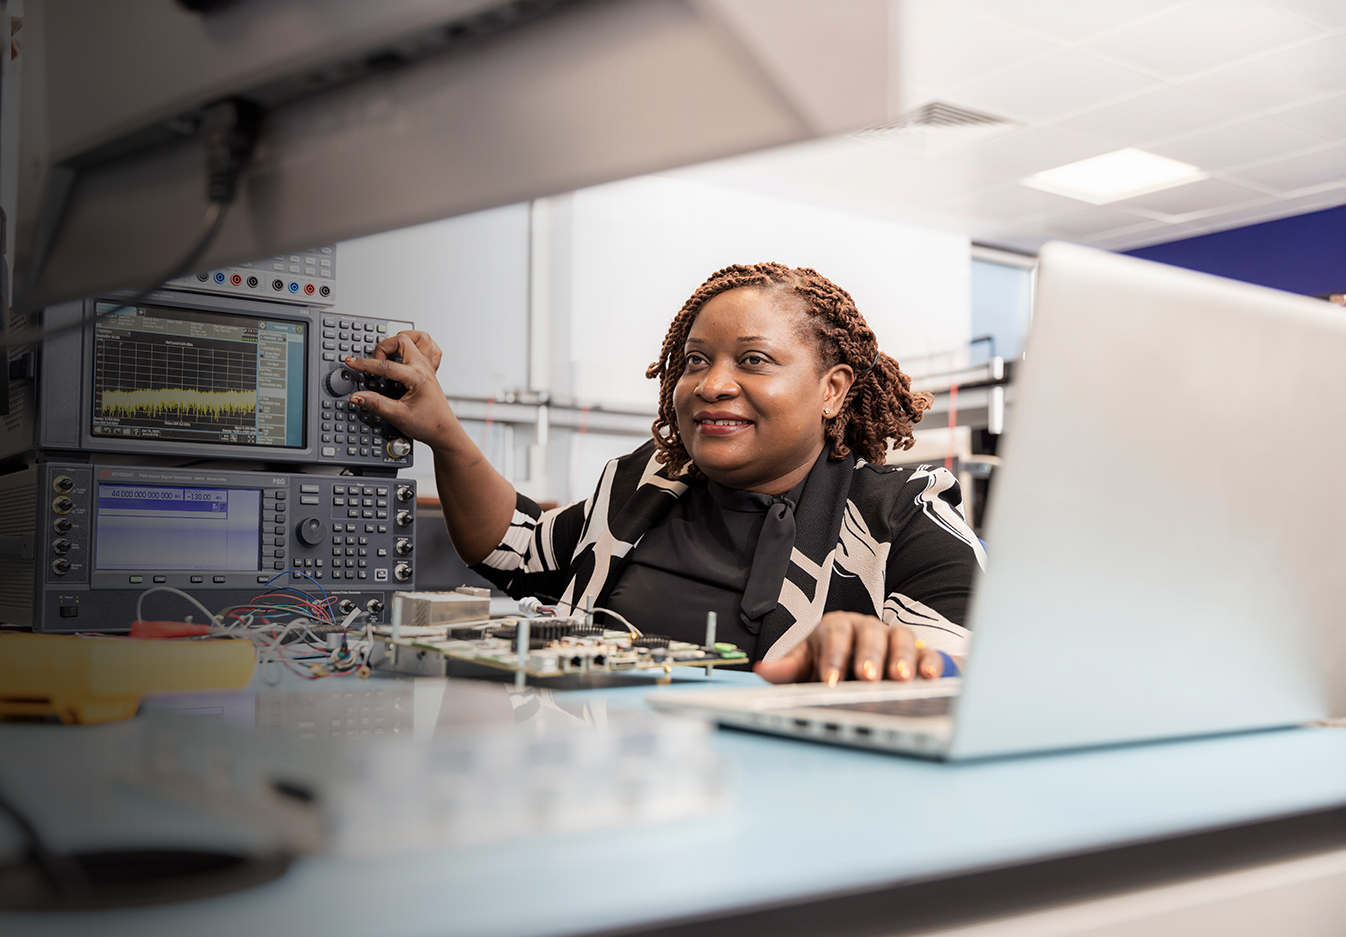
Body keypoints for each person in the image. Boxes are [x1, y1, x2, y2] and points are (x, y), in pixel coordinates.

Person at [349, 263, 977, 684]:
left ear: (832, 390)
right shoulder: (644, 483)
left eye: (754, 361)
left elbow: (977, 664)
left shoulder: (904, 515)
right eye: (696, 361)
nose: (712, 384)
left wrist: (886, 649)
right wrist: (442, 432)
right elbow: (513, 549)